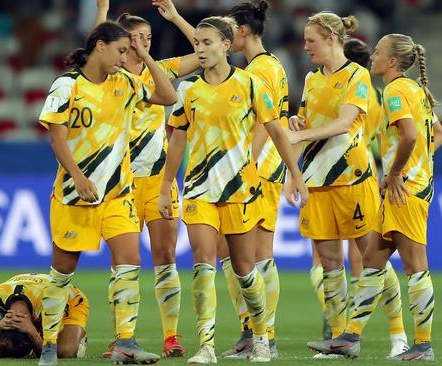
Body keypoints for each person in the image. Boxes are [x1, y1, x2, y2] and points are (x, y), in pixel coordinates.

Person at [159, 16, 308, 364]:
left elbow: (275, 130)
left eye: (207, 42)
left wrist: (295, 173)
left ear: (226, 45)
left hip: (240, 191)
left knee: (244, 270)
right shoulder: (187, 90)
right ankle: (206, 346)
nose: (200, 48)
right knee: (203, 266)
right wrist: (167, 184)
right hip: (198, 191)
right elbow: (177, 140)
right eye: (196, 43)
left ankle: (260, 336)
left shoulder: (251, 84)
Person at [35, 21, 177, 366]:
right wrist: (78, 176)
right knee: (62, 272)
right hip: (75, 195)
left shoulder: (126, 82)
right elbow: (56, 137)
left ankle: (126, 342)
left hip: (118, 195)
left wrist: (144, 55)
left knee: (129, 264)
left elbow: (169, 96)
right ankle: (50, 344)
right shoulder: (66, 86)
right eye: (121, 50)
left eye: (129, 51)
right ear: (100, 45)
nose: (125, 57)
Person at [306, 33, 442, 361]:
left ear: (392, 62)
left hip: (405, 191)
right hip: (410, 186)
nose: (372, 57)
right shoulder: (417, 90)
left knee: (415, 268)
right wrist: (417, 165)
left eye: (379, 53)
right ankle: (349, 338)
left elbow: (411, 136)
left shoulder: (396, 90)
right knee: (372, 262)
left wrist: (397, 171)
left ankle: (423, 345)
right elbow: (437, 135)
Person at [95, 0, 200, 358]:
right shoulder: (111, 73)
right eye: (136, 38)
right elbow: (91, 48)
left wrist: (175, 18)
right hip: (120, 182)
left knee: (166, 255)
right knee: (122, 263)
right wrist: (102, 13)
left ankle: (171, 336)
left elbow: (204, 55)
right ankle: (123, 335)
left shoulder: (160, 72)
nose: (143, 44)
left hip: (157, 179)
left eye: (149, 38)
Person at [284, 11, 380, 345]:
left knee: (372, 258)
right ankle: (340, 337)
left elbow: (343, 124)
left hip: (352, 178)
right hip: (316, 180)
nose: (305, 47)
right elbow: (302, 121)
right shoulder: (311, 79)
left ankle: (396, 333)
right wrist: (293, 173)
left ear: (331, 38)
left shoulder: (357, 76)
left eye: (311, 40)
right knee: (328, 261)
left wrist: (301, 135)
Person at [214, 1, 289, 359]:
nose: (225, 38)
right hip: (259, 167)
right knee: (229, 252)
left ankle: (264, 335)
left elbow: (264, 121)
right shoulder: (264, 66)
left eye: (229, 30)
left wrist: (248, 161)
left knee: (256, 255)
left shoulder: (261, 69)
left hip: (259, 169)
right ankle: (252, 329)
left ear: (242, 31)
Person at [0, 273, 88, 359]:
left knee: (66, 351)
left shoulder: (52, 300)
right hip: (35, 294)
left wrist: (34, 335)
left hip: (68, 299)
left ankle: (77, 338)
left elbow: (61, 354)